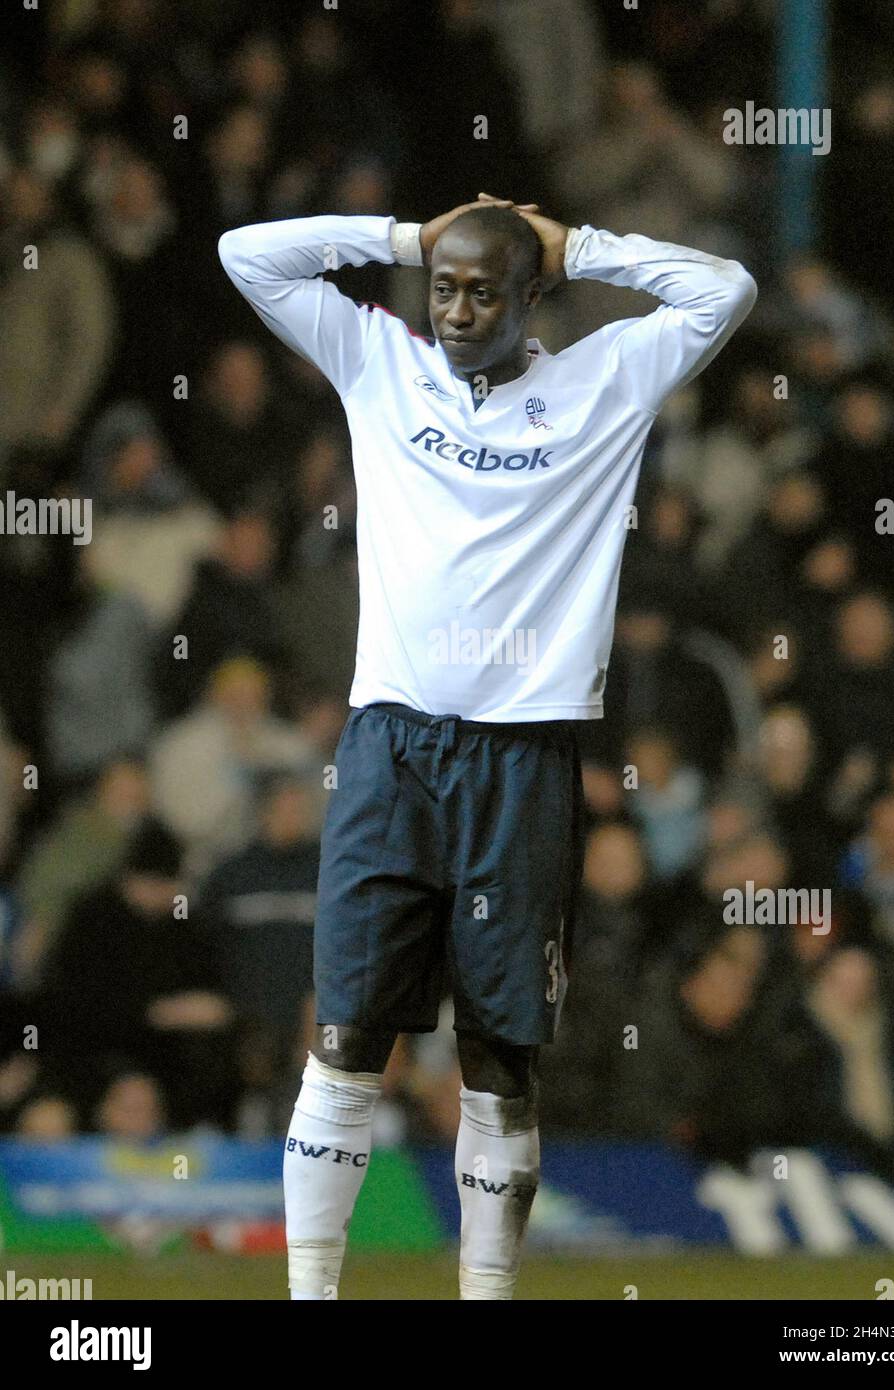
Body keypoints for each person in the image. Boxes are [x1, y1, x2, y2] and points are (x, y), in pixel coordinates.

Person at [218, 190, 756, 1300]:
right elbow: (245, 253)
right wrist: (405, 238)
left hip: (523, 757)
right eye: (444, 288)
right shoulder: (379, 359)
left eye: (482, 289)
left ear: (530, 298)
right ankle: (310, 1293)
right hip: (389, 749)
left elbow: (725, 290)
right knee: (348, 1034)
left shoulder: (605, 379)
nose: (456, 309)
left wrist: (585, 245)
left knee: (498, 1057)